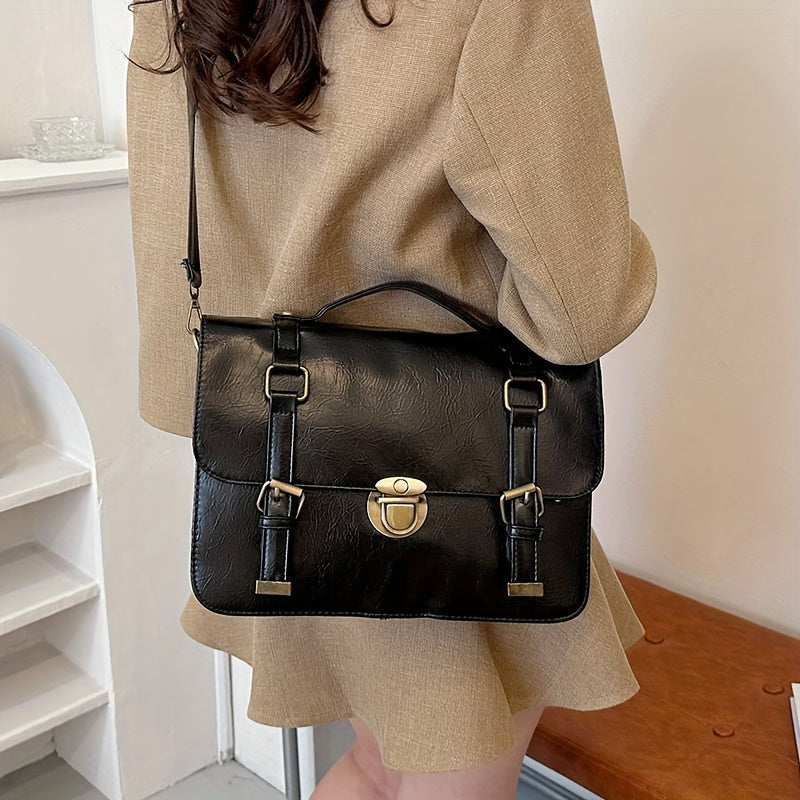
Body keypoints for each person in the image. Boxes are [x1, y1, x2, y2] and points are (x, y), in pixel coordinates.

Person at [126, 0, 657, 797]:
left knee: (376, 768)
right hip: (458, 484)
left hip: (281, 471)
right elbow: (586, 304)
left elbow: (170, 227)